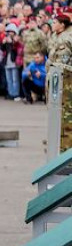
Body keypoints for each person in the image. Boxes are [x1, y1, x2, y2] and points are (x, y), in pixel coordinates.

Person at [49, 12, 72, 151]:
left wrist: (52, 68)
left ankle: (66, 148)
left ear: (62, 25)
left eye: (55, 22)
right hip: (59, 81)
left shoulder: (65, 39)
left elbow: (61, 63)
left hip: (65, 82)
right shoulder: (57, 36)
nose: (53, 24)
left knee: (66, 115)